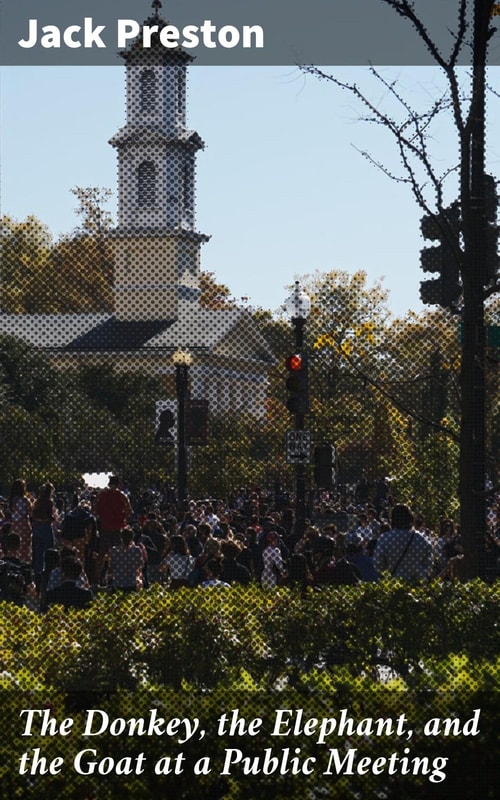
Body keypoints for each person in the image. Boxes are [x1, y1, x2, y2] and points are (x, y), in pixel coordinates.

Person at [373, 503, 433, 582]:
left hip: (392, 583)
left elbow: (378, 565)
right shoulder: (422, 539)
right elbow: (429, 564)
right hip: (416, 584)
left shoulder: (385, 538)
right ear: (410, 518)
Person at [94, 476, 132, 584]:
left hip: (105, 527)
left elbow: (95, 511)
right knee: (118, 553)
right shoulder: (122, 495)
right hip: (118, 527)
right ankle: (115, 576)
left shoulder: (101, 495)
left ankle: (97, 578)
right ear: (119, 484)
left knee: (102, 554)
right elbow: (129, 511)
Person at [31, 483, 56, 590]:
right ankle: (48, 574)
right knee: (49, 551)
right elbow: (50, 516)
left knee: (38, 551)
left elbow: (33, 514)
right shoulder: (49, 502)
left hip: (37, 526)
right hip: (46, 525)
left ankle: (37, 574)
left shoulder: (37, 502)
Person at [107, 527, 144, 592]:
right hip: (132, 583)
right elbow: (140, 565)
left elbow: (111, 566)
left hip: (117, 583)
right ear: (132, 538)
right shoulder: (137, 550)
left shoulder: (114, 550)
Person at [8, 479, 32, 564]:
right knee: (25, 546)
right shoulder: (25, 500)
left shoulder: (12, 500)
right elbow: (30, 512)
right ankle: (24, 563)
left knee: (14, 545)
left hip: (14, 525)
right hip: (24, 526)